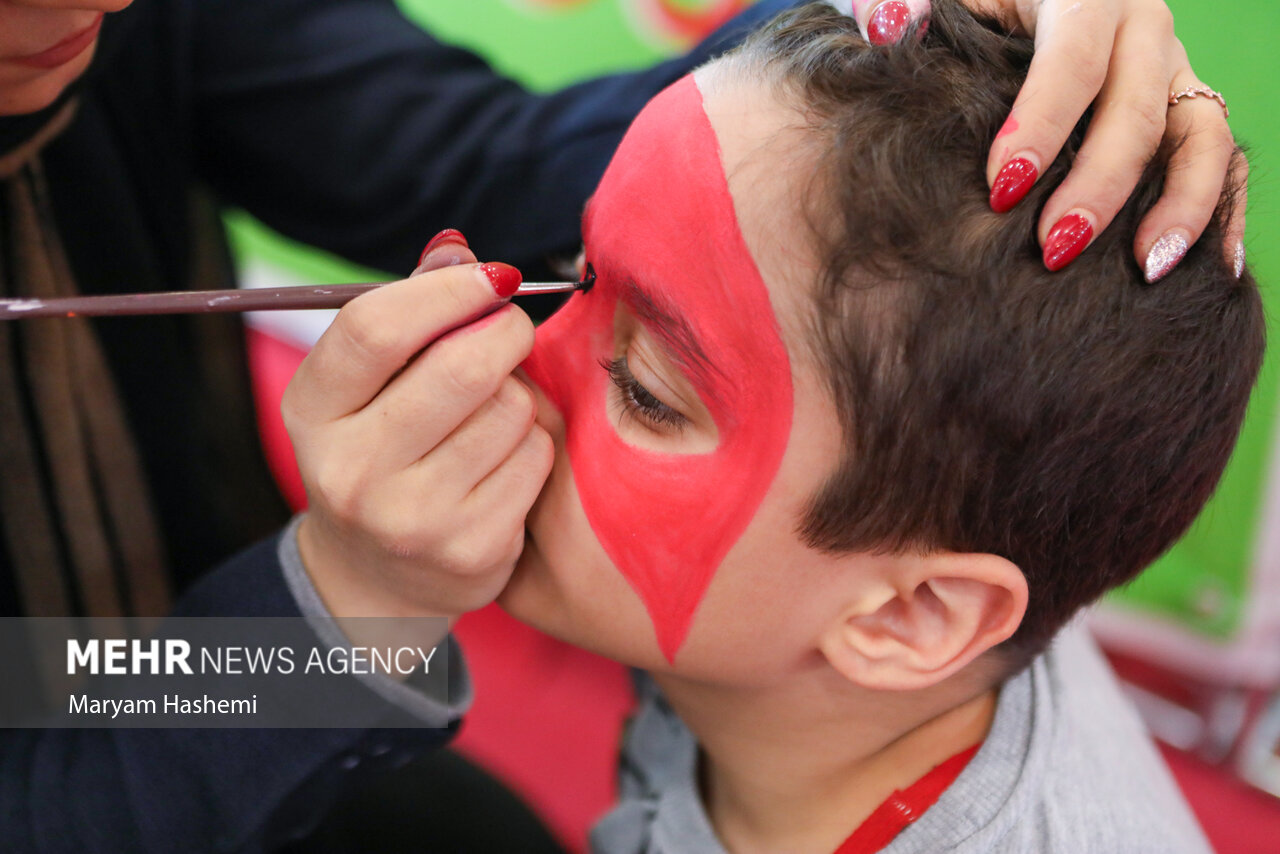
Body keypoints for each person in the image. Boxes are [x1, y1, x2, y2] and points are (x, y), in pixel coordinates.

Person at [0, 0, 1243, 850]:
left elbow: (487, 158)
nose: (511, 350)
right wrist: (330, 609)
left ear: (916, 615)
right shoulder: (827, 625)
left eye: (644, 383)